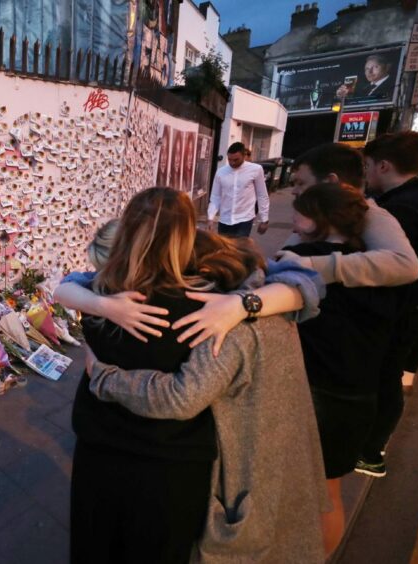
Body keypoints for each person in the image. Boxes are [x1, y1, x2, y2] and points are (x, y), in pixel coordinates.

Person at [84, 231, 328, 563]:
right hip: (286, 446)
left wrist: (102, 375)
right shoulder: (259, 284)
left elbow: (181, 397)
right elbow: (308, 281)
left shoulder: (223, 321)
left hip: (253, 465)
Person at [67, 188, 219, 563]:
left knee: (96, 548)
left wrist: (100, 305)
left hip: (100, 453)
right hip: (173, 466)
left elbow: (65, 287)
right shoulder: (209, 306)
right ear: (187, 234)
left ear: (126, 230)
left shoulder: (103, 297)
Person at [285, 182, 398, 555]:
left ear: (319, 219)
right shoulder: (376, 265)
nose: (294, 216)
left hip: (310, 392)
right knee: (329, 490)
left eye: (300, 211)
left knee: (290, 494)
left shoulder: (298, 256)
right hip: (359, 393)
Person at [356, 132, 418, 477]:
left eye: (368, 166)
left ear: (383, 165)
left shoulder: (399, 210)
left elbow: (389, 266)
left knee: (385, 377)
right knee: (390, 375)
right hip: (416, 309)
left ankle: (371, 452)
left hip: (404, 309)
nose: (366, 174)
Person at [278, 143, 418, 288]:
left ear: (331, 182)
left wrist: (312, 265)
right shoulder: (318, 215)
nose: (294, 191)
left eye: (301, 183)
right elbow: (283, 259)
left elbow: (405, 264)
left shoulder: (370, 214)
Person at [207, 142, 269, 237]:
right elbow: (216, 196)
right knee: (224, 250)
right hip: (224, 220)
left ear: (244, 155)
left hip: (244, 219)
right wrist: (210, 217)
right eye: (230, 160)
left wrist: (264, 219)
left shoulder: (256, 169)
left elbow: (262, 194)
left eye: (236, 160)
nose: (232, 163)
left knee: (239, 250)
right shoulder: (221, 172)